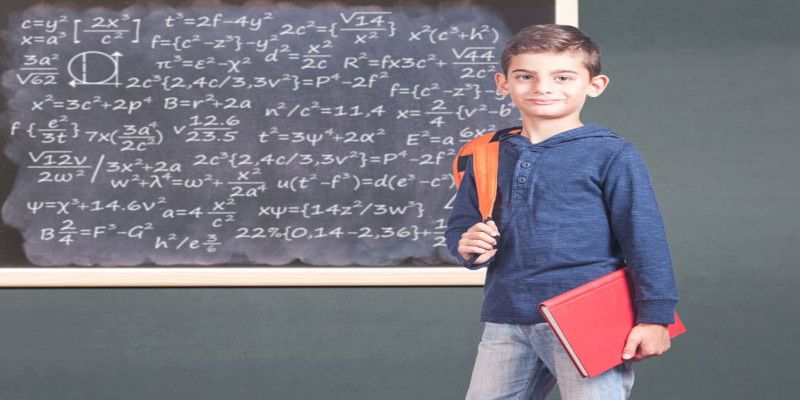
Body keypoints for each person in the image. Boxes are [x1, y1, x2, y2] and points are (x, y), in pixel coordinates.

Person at [444, 24, 679, 399]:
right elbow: (461, 227)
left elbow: (644, 237)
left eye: (562, 76)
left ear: (595, 85)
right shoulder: (485, 154)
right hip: (507, 314)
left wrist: (655, 316)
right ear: (503, 83)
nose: (542, 87)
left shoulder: (611, 154)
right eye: (525, 76)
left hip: (591, 316)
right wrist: (466, 245)